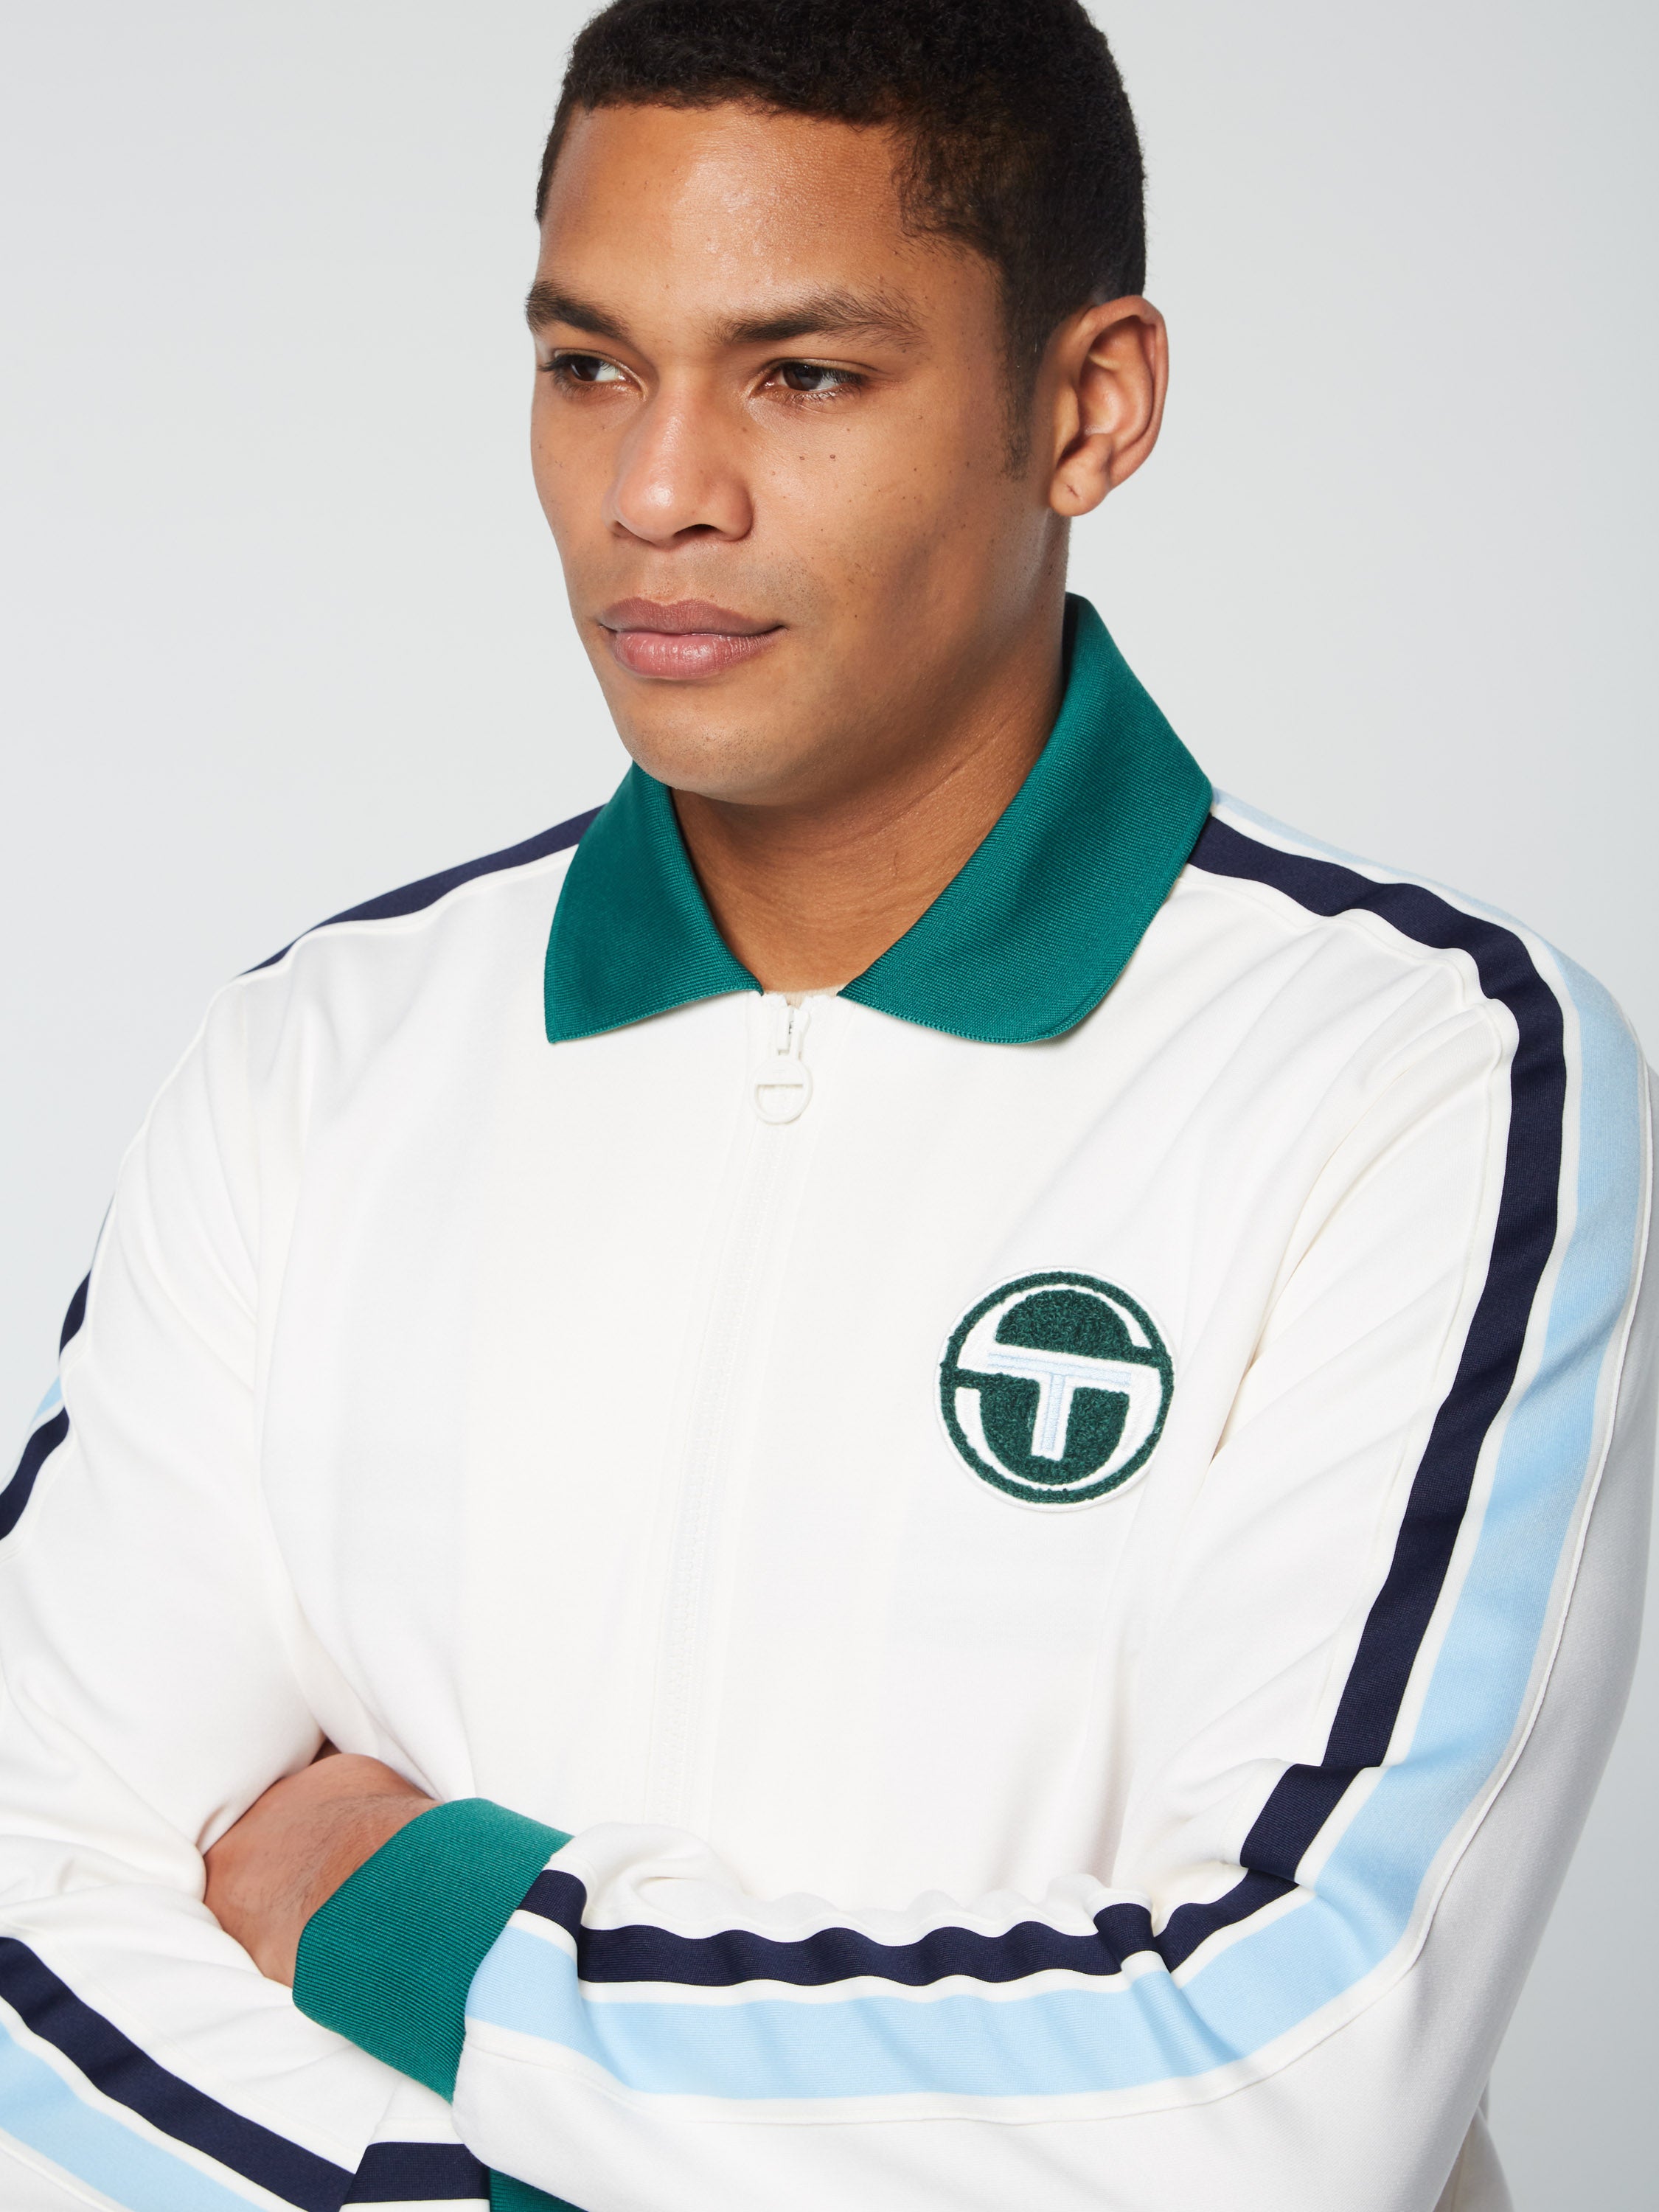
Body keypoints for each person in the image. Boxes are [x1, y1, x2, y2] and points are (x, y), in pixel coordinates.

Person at [0, 1, 1652, 2208]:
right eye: (589, 363)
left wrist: (411, 1915)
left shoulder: (1420, 1074)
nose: (655, 489)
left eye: (801, 375)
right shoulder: (321, 1053)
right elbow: (34, 1889)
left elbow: (1281, 2092)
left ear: (1086, 407)